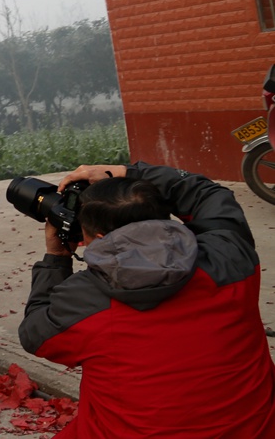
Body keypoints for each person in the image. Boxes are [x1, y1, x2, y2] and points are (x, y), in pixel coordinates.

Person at [19, 161, 275, 438]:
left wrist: (56, 260)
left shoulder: (82, 299)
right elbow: (208, 195)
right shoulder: (229, 258)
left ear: (100, 238)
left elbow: (35, 333)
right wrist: (125, 173)